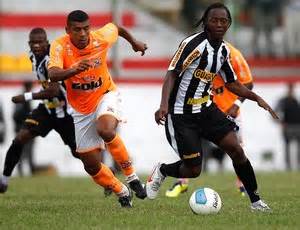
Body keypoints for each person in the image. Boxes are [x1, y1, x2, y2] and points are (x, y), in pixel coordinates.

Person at [146, 2, 278, 212]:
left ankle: (256, 202)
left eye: (223, 21)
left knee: (236, 149)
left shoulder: (224, 51)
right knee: (193, 169)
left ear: (229, 24)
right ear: (206, 22)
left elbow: (231, 83)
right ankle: (162, 170)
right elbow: (172, 73)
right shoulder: (193, 45)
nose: (218, 24)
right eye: (214, 20)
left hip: (207, 109)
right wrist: (163, 105)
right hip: (182, 113)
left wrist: (255, 97)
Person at [48, 10, 148, 207]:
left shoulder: (100, 37)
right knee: (91, 165)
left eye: (86, 28)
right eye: (77, 30)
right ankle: (121, 191)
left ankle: (132, 177)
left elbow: (116, 28)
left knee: (105, 129)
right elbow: (52, 74)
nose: (83, 33)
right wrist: (74, 69)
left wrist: (134, 42)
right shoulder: (59, 45)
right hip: (80, 109)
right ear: (67, 30)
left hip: (105, 94)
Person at [165, 42, 253, 198]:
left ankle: (243, 185)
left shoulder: (231, 53)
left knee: (238, 148)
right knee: (188, 146)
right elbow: (175, 75)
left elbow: (248, 83)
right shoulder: (196, 50)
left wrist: (236, 104)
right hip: (200, 110)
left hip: (228, 110)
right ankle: (181, 183)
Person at [0, 28, 78, 193]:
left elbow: (53, 91)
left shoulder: (51, 60)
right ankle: (4, 180)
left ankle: (109, 176)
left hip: (65, 112)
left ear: (46, 43)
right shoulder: (32, 57)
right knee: (20, 138)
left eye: (40, 42)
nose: (36, 45)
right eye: (33, 42)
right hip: (46, 109)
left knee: (79, 153)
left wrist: (26, 97)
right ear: (29, 44)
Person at [275, 83, 300, 170]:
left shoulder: (296, 100)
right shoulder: (283, 100)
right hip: (288, 127)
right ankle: (288, 166)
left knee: (298, 148)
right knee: (287, 147)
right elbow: (275, 112)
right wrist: (280, 122)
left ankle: (297, 166)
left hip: (297, 126)